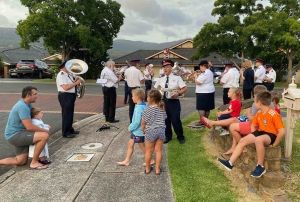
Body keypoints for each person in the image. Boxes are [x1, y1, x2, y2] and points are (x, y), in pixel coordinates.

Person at [218, 91, 285, 178]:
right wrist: (253, 134)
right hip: (261, 132)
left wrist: (275, 144)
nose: (254, 103)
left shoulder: (273, 114)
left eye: (255, 101)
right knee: (242, 141)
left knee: (258, 139)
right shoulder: (259, 113)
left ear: (260, 103)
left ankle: (260, 166)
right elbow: (253, 124)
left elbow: (282, 131)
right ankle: (230, 163)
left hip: (271, 135)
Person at [0, 86, 49, 170]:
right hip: (15, 135)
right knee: (44, 135)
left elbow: (34, 116)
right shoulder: (22, 106)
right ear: (28, 95)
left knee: (21, 161)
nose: (37, 96)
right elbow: (29, 127)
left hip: (18, 134)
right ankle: (34, 162)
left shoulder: (27, 104)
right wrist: (45, 130)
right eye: (35, 94)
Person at [224, 85, 268, 155]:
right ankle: (233, 147)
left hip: (256, 127)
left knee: (233, 126)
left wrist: (248, 113)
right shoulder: (269, 103)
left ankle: (241, 148)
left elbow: (251, 119)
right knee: (236, 121)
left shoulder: (256, 103)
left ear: (256, 95)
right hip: (263, 126)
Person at [154, 59, 188, 144]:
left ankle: (180, 137)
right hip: (163, 102)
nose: (165, 69)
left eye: (167, 67)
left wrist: (178, 93)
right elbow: (156, 88)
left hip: (173, 102)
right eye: (164, 67)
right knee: (165, 121)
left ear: (171, 68)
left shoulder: (177, 78)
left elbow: (184, 88)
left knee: (175, 120)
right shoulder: (161, 79)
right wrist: (158, 94)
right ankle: (168, 136)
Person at [117, 89, 147, 166]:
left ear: (137, 97)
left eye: (133, 96)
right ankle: (127, 160)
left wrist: (130, 127)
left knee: (142, 146)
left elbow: (137, 121)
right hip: (138, 132)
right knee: (130, 144)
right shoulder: (144, 105)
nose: (132, 98)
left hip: (138, 132)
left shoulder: (139, 108)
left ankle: (150, 160)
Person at [142, 89, 167, 175]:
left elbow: (143, 122)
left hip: (151, 131)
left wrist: (143, 129)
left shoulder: (147, 110)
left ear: (150, 99)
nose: (147, 98)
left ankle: (148, 168)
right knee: (158, 151)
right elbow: (164, 118)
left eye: (147, 97)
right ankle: (157, 169)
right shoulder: (162, 108)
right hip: (161, 130)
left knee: (148, 151)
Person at [56, 60, 81, 138]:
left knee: (70, 113)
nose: (70, 67)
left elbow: (71, 83)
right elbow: (65, 87)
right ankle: (66, 132)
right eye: (68, 66)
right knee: (66, 114)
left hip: (70, 95)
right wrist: (76, 83)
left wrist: (76, 80)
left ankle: (70, 129)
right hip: (65, 95)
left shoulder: (68, 74)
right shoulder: (61, 75)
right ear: (64, 67)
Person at [194, 60, 215, 126]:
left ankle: (202, 121)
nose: (199, 68)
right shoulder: (209, 72)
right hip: (209, 91)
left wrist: (195, 77)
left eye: (200, 66)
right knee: (207, 107)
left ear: (203, 66)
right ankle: (205, 120)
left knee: (201, 107)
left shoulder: (206, 73)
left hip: (203, 92)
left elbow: (198, 82)